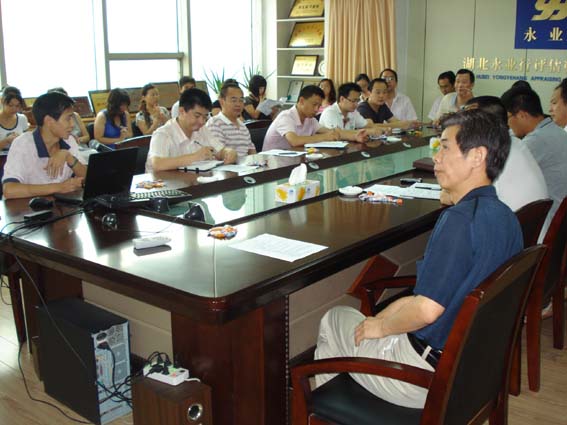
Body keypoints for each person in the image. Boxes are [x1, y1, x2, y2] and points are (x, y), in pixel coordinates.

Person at [314, 109, 522, 409]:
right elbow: (429, 298)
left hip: (424, 376)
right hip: (474, 368)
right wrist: (381, 319)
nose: (436, 157)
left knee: (334, 319)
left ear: (477, 156)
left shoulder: (459, 221)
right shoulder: (506, 216)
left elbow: (426, 310)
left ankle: (337, 410)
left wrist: (381, 327)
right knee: (370, 321)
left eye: (445, 147)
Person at [463, 96, 548, 212]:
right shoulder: (513, 142)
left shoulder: (491, 150)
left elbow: (466, 197)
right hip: (529, 221)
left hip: (508, 220)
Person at [501, 86, 567, 226]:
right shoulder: (554, 131)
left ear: (522, 115)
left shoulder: (536, 141)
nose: (507, 124)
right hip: (559, 219)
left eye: (508, 118)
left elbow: (502, 174)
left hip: (547, 223)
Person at [2, 91, 87, 199]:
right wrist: (59, 187)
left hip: (60, 205)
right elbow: (9, 190)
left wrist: (68, 157)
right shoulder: (23, 144)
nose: (72, 124)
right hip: (27, 207)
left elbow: (88, 178)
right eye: (68, 118)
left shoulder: (69, 141)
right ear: (49, 121)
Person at [146, 88, 237, 172]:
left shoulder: (202, 129)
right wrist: (195, 157)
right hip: (163, 183)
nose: (202, 121)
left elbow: (220, 151)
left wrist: (228, 152)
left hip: (192, 180)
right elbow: (157, 164)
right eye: (197, 116)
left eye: (205, 117)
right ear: (182, 111)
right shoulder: (163, 134)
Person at [262, 85, 368, 151]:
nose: (317, 109)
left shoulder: (310, 119)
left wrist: (355, 136)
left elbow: (332, 132)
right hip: (272, 164)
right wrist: (324, 137)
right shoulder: (286, 116)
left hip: (294, 161)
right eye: (314, 105)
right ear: (302, 101)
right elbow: (294, 141)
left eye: (319, 106)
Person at [207, 82, 256, 156]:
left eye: (241, 100)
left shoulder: (242, 126)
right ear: (222, 101)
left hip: (246, 163)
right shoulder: (215, 123)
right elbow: (217, 154)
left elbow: (251, 151)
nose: (238, 104)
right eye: (234, 100)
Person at [319, 83, 384, 136]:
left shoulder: (353, 112)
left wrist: (384, 129)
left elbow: (367, 125)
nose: (356, 104)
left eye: (357, 101)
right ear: (342, 99)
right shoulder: (330, 112)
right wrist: (367, 132)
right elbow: (338, 134)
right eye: (353, 101)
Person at [0, 86, 29, 150]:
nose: (14, 109)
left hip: (18, 154)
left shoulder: (22, 118)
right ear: (1, 101)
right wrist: (6, 141)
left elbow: (27, 142)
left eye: (17, 106)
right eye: (10, 105)